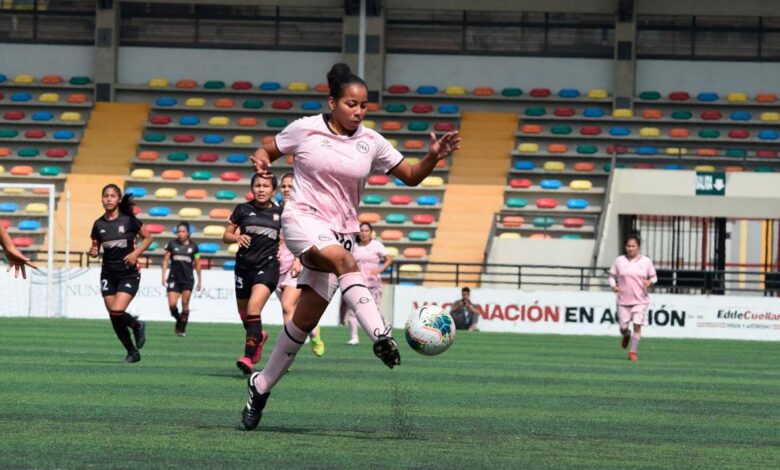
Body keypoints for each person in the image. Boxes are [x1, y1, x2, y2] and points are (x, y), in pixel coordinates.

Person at [241, 62, 461, 430]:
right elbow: (267, 150)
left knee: (302, 323)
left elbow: (411, 177)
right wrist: (262, 162)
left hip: (339, 236)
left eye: (364, 106)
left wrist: (433, 157)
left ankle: (260, 386)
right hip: (302, 222)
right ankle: (381, 335)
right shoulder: (305, 129)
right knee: (344, 261)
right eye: (351, 104)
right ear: (332, 102)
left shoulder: (371, 141)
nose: (358, 111)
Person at [224, 172, 283, 375]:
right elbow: (226, 235)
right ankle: (259, 336)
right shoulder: (242, 209)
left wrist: (298, 260)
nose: (261, 189)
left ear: (273, 190)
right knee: (245, 316)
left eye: (266, 186)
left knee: (253, 309)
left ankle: (248, 357)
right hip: (243, 268)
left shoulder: (281, 213)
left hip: (267, 267)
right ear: (252, 188)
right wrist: (236, 238)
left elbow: (290, 239)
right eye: (257, 185)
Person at [88, 184, 153, 363]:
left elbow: (148, 238)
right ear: (101, 199)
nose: (108, 199)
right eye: (105, 196)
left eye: (112, 196)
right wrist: (93, 251)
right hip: (108, 274)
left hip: (128, 273)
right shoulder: (98, 224)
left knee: (117, 311)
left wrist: (135, 253)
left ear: (118, 199)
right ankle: (132, 352)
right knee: (114, 317)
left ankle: (137, 325)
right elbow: (95, 247)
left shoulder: (129, 220)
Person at [275, 172, 325, 356]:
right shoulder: (275, 210)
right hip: (277, 266)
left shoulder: (302, 211)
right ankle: (313, 330)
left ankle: (285, 353)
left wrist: (298, 260)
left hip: (297, 264)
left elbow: (305, 239)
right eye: (284, 186)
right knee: (293, 310)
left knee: (287, 306)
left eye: (290, 186)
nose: (287, 189)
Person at [608, 236, 657, 362]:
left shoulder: (646, 261)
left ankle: (632, 352)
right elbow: (611, 276)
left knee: (637, 325)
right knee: (623, 328)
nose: (630, 248)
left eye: (633, 246)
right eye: (628, 246)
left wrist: (649, 283)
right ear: (625, 247)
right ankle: (626, 335)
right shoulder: (619, 261)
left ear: (638, 247)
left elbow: (654, 277)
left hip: (640, 300)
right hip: (623, 300)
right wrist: (613, 286)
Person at [343, 222, 392, 345]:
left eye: (366, 231)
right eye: (362, 230)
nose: (364, 233)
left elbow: (389, 259)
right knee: (353, 309)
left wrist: (380, 269)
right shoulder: (353, 246)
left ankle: (386, 330)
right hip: (357, 282)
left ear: (371, 233)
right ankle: (354, 337)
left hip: (373, 283)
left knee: (375, 309)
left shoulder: (377, 245)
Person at [161, 221, 202, 336]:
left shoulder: (194, 247)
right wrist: (163, 275)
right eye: (178, 231)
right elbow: (165, 260)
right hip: (173, 278)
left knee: (185, 304)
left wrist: (200, 280)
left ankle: (182, 329)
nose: (180, 234)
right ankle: (179, 320)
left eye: (183, 231)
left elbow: (198, 264)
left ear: (188, 233)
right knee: (172, 304)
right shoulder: (172, 244)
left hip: (187, 279)